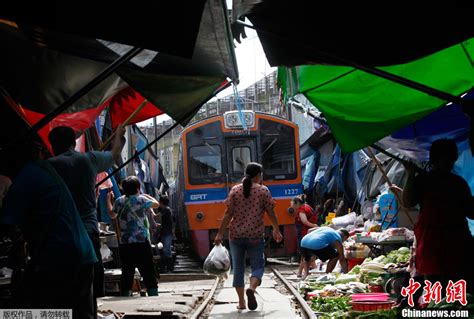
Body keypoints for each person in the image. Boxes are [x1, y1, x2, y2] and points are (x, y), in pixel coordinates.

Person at [0, 141, 97, 317]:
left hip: (60, 256)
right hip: (81, 253)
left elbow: (7, 222)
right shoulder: (45, 171)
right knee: (80, 313)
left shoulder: (28, 176)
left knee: (51, 311)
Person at [48, 124, 125, 307]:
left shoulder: (48, 166)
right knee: (89, 285)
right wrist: (119, 135)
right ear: (73, 143)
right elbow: (115, 155)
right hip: (88, 231)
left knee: (62, 286)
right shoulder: (89, 159)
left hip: (59, 234)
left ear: (53, 145)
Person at [402, 139, 474, 293]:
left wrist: (411, 176)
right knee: (440, 294)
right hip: (436, 248)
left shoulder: (456, 183)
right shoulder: (425, 180)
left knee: (451, 295)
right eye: (447, 157)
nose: (450, 161)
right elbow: (408, 202)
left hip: (453, 247)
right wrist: (410, 176)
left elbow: (471, 212)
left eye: (451, 158)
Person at [214, 162, 283, 311]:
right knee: (258, 266)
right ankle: (251, 288)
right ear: (258, 175)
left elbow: (228, 214)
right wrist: (276, 229)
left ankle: (241, 302)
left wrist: (220, 233)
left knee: (238, 269)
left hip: (236, 235)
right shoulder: (263, 191)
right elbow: (271, 213)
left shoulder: (235, 190)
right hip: (255, 235)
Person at [109, 176, 159, 296]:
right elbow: (156, 204)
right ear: (138, 188)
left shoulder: (119, 201)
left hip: (125, 243)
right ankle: (153, 293)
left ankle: (126, 294)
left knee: (127, 271)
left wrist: (107, 201)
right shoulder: (141, 200)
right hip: (142, 241)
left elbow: (112, 215)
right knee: (148, 269)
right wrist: (146, 195)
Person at [289, 194, 318, 277]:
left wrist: (314, 226)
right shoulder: (307, 206)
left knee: (306, 254)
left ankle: (306, 274)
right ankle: (299, 272)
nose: (291, 205)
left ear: (297, 203)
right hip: (306, 233)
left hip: (304, 233)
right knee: (303, 254)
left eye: (292, 203)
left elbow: (304, 221)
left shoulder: (302, 209)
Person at [157, 194, 174, 273]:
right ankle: (167, 268)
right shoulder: (166, 209)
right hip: (165, 233)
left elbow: (156, 216)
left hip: (167, 233)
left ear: (161, 202)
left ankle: (169, 268)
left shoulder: (166, 209)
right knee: (165, 250)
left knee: (166, 250)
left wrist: (150, 211)